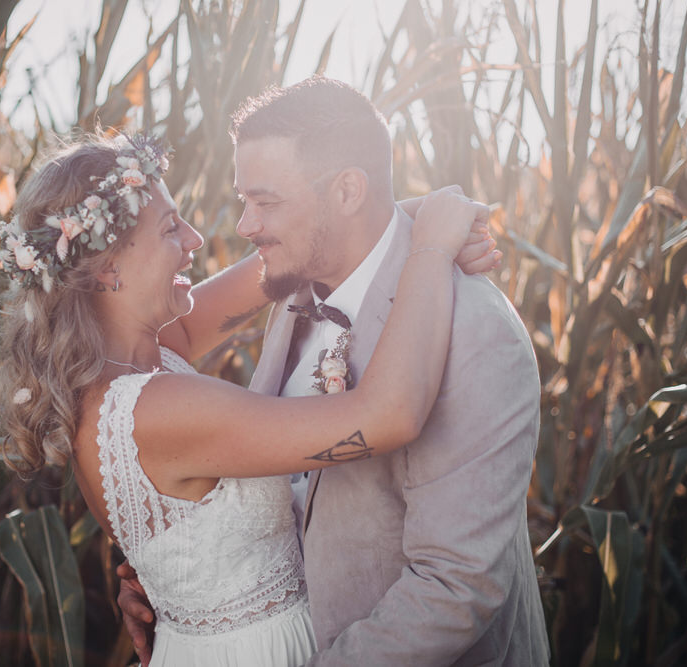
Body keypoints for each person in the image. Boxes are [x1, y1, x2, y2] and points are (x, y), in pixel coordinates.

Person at [0, 130, 491, 666]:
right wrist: (432, 249)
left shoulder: (136, 358)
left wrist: (403, 214)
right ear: (106, 269)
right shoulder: (155, 410)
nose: (194, 239)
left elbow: (293, 257)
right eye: (169, 229)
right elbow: (388, 415)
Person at [119, 77, 550, 665]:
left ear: (348, 190)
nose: (245, 225)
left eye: (265, 202)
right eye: (244, 199)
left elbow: (456, 586)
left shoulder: (473, 328)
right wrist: (182, 582)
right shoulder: (292, 294)